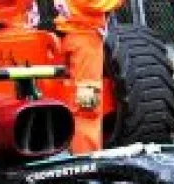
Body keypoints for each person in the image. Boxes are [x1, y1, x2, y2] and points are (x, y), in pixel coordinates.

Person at [47, 0, 126, 154]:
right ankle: (87, 157)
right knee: (88, 106)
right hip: (85, 41)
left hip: (74, 35)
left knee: (78, 101)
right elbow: (95, 3)